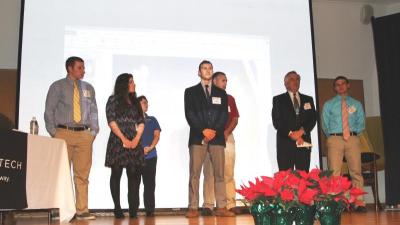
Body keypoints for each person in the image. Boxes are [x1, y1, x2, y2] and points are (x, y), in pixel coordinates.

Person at [44, 56, 99, 220]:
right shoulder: (57, 86)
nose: (83, 70)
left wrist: (93, 131)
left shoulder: (89, 88)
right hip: (63, 133)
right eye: (80, 67)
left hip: (84, 134)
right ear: (69, 68)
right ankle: (61, 210)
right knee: (62, 174)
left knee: (82, 174)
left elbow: (94, 111)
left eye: (83, 67)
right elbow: (49, 111)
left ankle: (82, 210)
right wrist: (54, 132)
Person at [184, 60, 234, 218]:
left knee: (219, 174)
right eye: (204, 68)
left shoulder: (222, 93)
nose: (207, 70)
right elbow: (190, 113)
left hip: (217, 138)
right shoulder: (190, 92)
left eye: (210, 68)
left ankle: (222, 207)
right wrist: (203, 130)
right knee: (195, 174)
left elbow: (223, 115)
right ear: (199, 72)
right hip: (197, 137)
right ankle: (193, 207)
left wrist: (213, 131)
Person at [321, 76, 366, 212]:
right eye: (337, 85)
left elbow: (361, 123)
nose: (340, 86)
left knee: (356, 171)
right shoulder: (329, 104)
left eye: (343, 84)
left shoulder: (356, 104)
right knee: (334, 173)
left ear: (348, 85)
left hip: (352, 138)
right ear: (334, 88)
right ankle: (337, 203)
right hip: (335, 139)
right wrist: (333, 136)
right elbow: (325, 124)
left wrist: (352, 134)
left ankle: (358, 202)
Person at [105, 73, 145, 218]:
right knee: (116, 174)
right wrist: (123, 139)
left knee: (134, 175)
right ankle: (117, 208)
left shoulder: (135, 102)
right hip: (117, 141)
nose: (134, 84)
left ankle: (133, 209)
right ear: (124, 84)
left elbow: (141, 121)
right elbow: (111, 121)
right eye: (131, 82)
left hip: (134, 141)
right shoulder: (113, 100)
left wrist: (136, 139)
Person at [202, 72, 240, 215]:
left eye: (226, 80)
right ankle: (208, 205)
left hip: (227, 137)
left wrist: (226, 132)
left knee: (228, 171)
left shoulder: (230, 98)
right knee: (210, 172)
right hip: (211, 138)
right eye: (223, 80)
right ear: (214, 81)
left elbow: (235, 118)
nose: (226, 83)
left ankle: (230, 204)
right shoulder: (206, 97)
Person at [271, 71, 317, 172]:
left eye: (297, 79)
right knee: (286, 179)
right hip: (285, 144)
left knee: (303, 177)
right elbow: (277, 121)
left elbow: (313, 119)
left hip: (303, 142)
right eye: (292, 79)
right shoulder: (278, 99)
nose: (295, 82)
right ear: (286, 83)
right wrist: (291, 133)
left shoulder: (308, 99)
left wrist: (301, 132)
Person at [138, 95, 161, 217]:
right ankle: (133, 210)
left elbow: (157, 135)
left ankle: (150, 210)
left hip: (151, 156)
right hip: (136, 157)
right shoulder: (132, 120)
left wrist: (150, 147)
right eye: (143, 102)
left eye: (147, 102)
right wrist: (140, 149)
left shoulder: (152, 119)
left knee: (150, 184)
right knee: (134, 185)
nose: (146, 104)